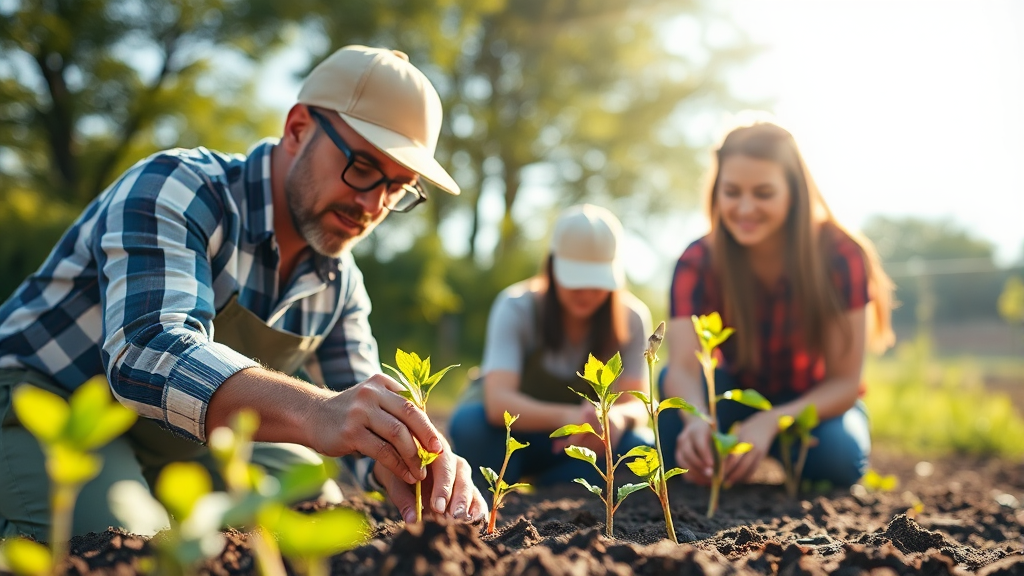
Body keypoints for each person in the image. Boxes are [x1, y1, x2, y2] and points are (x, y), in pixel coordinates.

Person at [0, 45, 486, 540]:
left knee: (314, 499)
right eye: (361, 167)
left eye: (398, 187)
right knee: (126, 544)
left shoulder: (339, 282)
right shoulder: (182, 189)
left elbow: (359, 410)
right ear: (298, 129)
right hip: (48, 402)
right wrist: (318, 411)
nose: (372, 204)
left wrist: (416, 462)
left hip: (177, 441)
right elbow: (146, 349)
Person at [660, 121, 895, 489]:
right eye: (732, 192)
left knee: (838, 461)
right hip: (732, 391)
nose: (745, 207)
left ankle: (780, 448)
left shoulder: (841, 255)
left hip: (811, 401)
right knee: (675, 432)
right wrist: (696, 422)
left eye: (764, 193)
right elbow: (684, 370)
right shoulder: (697, 261)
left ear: (794, 193)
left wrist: (771, 420)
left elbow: (844, 383)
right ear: (716, 193)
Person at [449, 204, 655, 491]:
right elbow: (498, 403)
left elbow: (637, 402)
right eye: (575, 280)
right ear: (552, 266)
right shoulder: (516, 307)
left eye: (596, 282)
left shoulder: (631, 319)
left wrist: (614, 420)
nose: (586, 292)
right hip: (510, 439)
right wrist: (572, 418)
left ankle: (556, 485)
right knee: (470, 425)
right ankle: (503, 481)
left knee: (642, 447)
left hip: (576, 446)